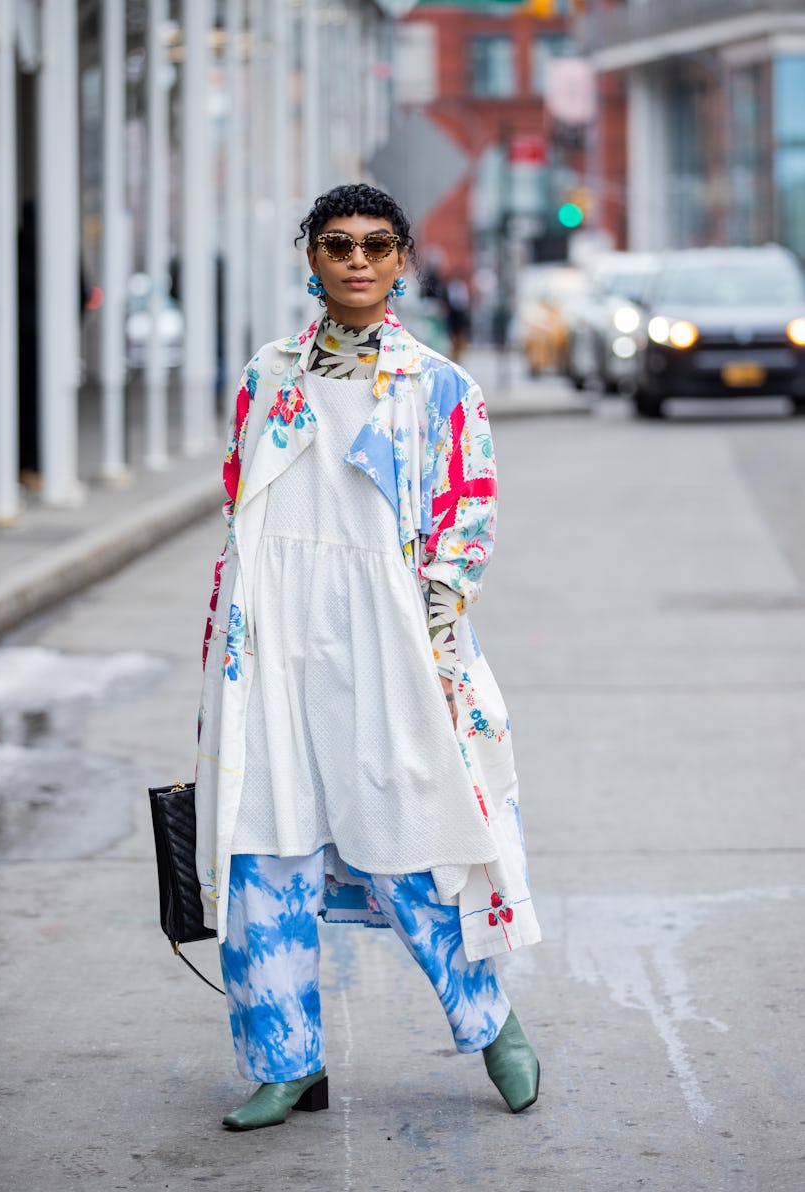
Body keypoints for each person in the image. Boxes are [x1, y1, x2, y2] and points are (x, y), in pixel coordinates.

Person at [195, 183, 542, 1132]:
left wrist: (434, 648)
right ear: (311, 257)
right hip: (270, 641)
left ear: (400, 263)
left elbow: (467, 523)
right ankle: (286, 1063)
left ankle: (492, 1022)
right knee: (262, 848)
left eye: (376, 246)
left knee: (415, 848)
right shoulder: (269, 375)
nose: (356, 260)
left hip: (388, 641)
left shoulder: (440, 386)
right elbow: (241, 506)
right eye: (338, 245)